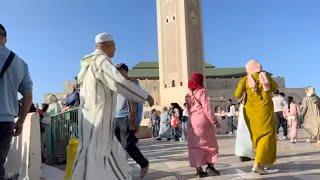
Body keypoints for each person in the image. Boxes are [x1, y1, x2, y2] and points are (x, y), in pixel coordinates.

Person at [72, 33, 154, 180]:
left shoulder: (90, 64)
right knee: (100, 155)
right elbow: (118, 83)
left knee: (104, 155)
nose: (115, 51)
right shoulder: (101, 61)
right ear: (108, 44)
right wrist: (144, 96)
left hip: (92, 120)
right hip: (98, 120)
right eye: (114, 47)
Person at [0, 24, 33, 179]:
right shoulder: (19, 63)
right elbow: (28, 96)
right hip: (5, 123)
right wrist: (20, 121)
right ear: (5, 38)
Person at [235, 60, 278, 175]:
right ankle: (258, 163)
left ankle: (263, 162)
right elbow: (275, 87)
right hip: (265, 111)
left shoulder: (244, 80)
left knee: (256, 138)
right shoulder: (266, 77)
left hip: (250, 113)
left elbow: (237, 94)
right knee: (267, 135)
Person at [114, 63, 149, 178]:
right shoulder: (115, 84)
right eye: (117, 71)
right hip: (116, 119)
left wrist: (138, 122)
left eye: (120, 71)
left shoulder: (133, 83)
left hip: (127, 118)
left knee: (127, 145)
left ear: (125, 72)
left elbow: (139, 103)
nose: (118, 73)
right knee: (118, 146)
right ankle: (122, 171)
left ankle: (143, 163)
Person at [185, 73, 220, 178]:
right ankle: (210, 167)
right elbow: (207, 108)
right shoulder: (202, 92)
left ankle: (199, 170)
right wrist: (214, 121)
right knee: (210, 144)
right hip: (202, 120)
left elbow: (188, 109)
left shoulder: (188, 95)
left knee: (195, 146)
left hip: (192, 121)